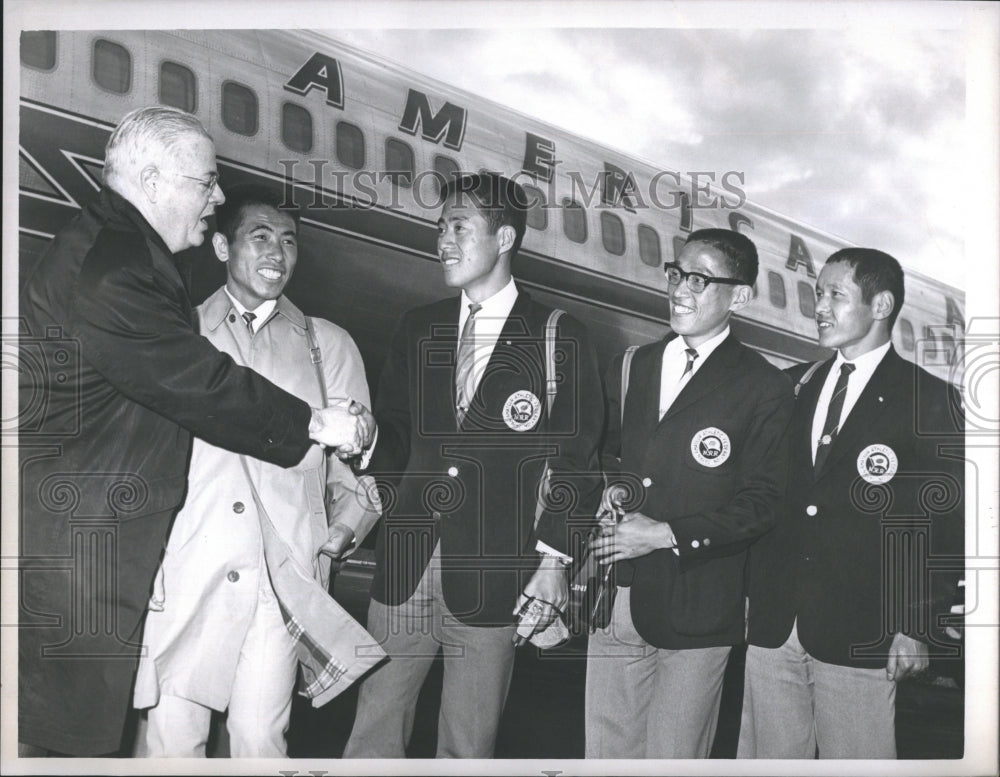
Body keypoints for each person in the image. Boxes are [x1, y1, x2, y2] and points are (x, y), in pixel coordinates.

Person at [17, 107, 372, 757]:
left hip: (103, 549)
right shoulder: (116, 266)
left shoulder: (122, 251)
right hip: (82, 558)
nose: (216, 197)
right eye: (205, 182)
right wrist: (317, 421)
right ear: (152, 180)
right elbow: (195, 380)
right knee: (61, 745)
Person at [343, 173, 604, 758]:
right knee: (373, 727)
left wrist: (554, 561)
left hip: (496, 574)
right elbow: (399, 440)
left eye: (459, 227)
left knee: (468, 744)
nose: (443, 242)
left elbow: (576, 464)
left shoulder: (559, 337)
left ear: (505, 236)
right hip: (405, 564)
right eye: (440, 228)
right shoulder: (419, 327)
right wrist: (362, 443)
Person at [130, 185, 381, 756]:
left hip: (280, 581)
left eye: (288, 241)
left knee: (260, 740)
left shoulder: (328, 345)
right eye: (260, 236)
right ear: (221, 246)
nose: (277, 252)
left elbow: (355, 475)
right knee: (172, 739)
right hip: (190, 567)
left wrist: (334, 541)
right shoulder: (181, 332)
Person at [738, 248, 964, 759]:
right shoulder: (794, 385)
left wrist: (916, 626)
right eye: (819, 294)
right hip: (776, 625)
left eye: (835, 295)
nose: (819, 306)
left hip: (863, 629)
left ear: (881, 304)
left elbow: (944, 526)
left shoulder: (930, 400)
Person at [585, 228, 794, 758]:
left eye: (699, 279)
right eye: (677, 274)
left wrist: (663, 534)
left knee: (674, 758)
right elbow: (602, 456)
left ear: (739, 296)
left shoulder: (765, 387)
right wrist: (609, 493)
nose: (680, 288)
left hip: (701, 606)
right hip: (620, 598)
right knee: (605, 756)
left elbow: (764, 502)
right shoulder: (633, 366)